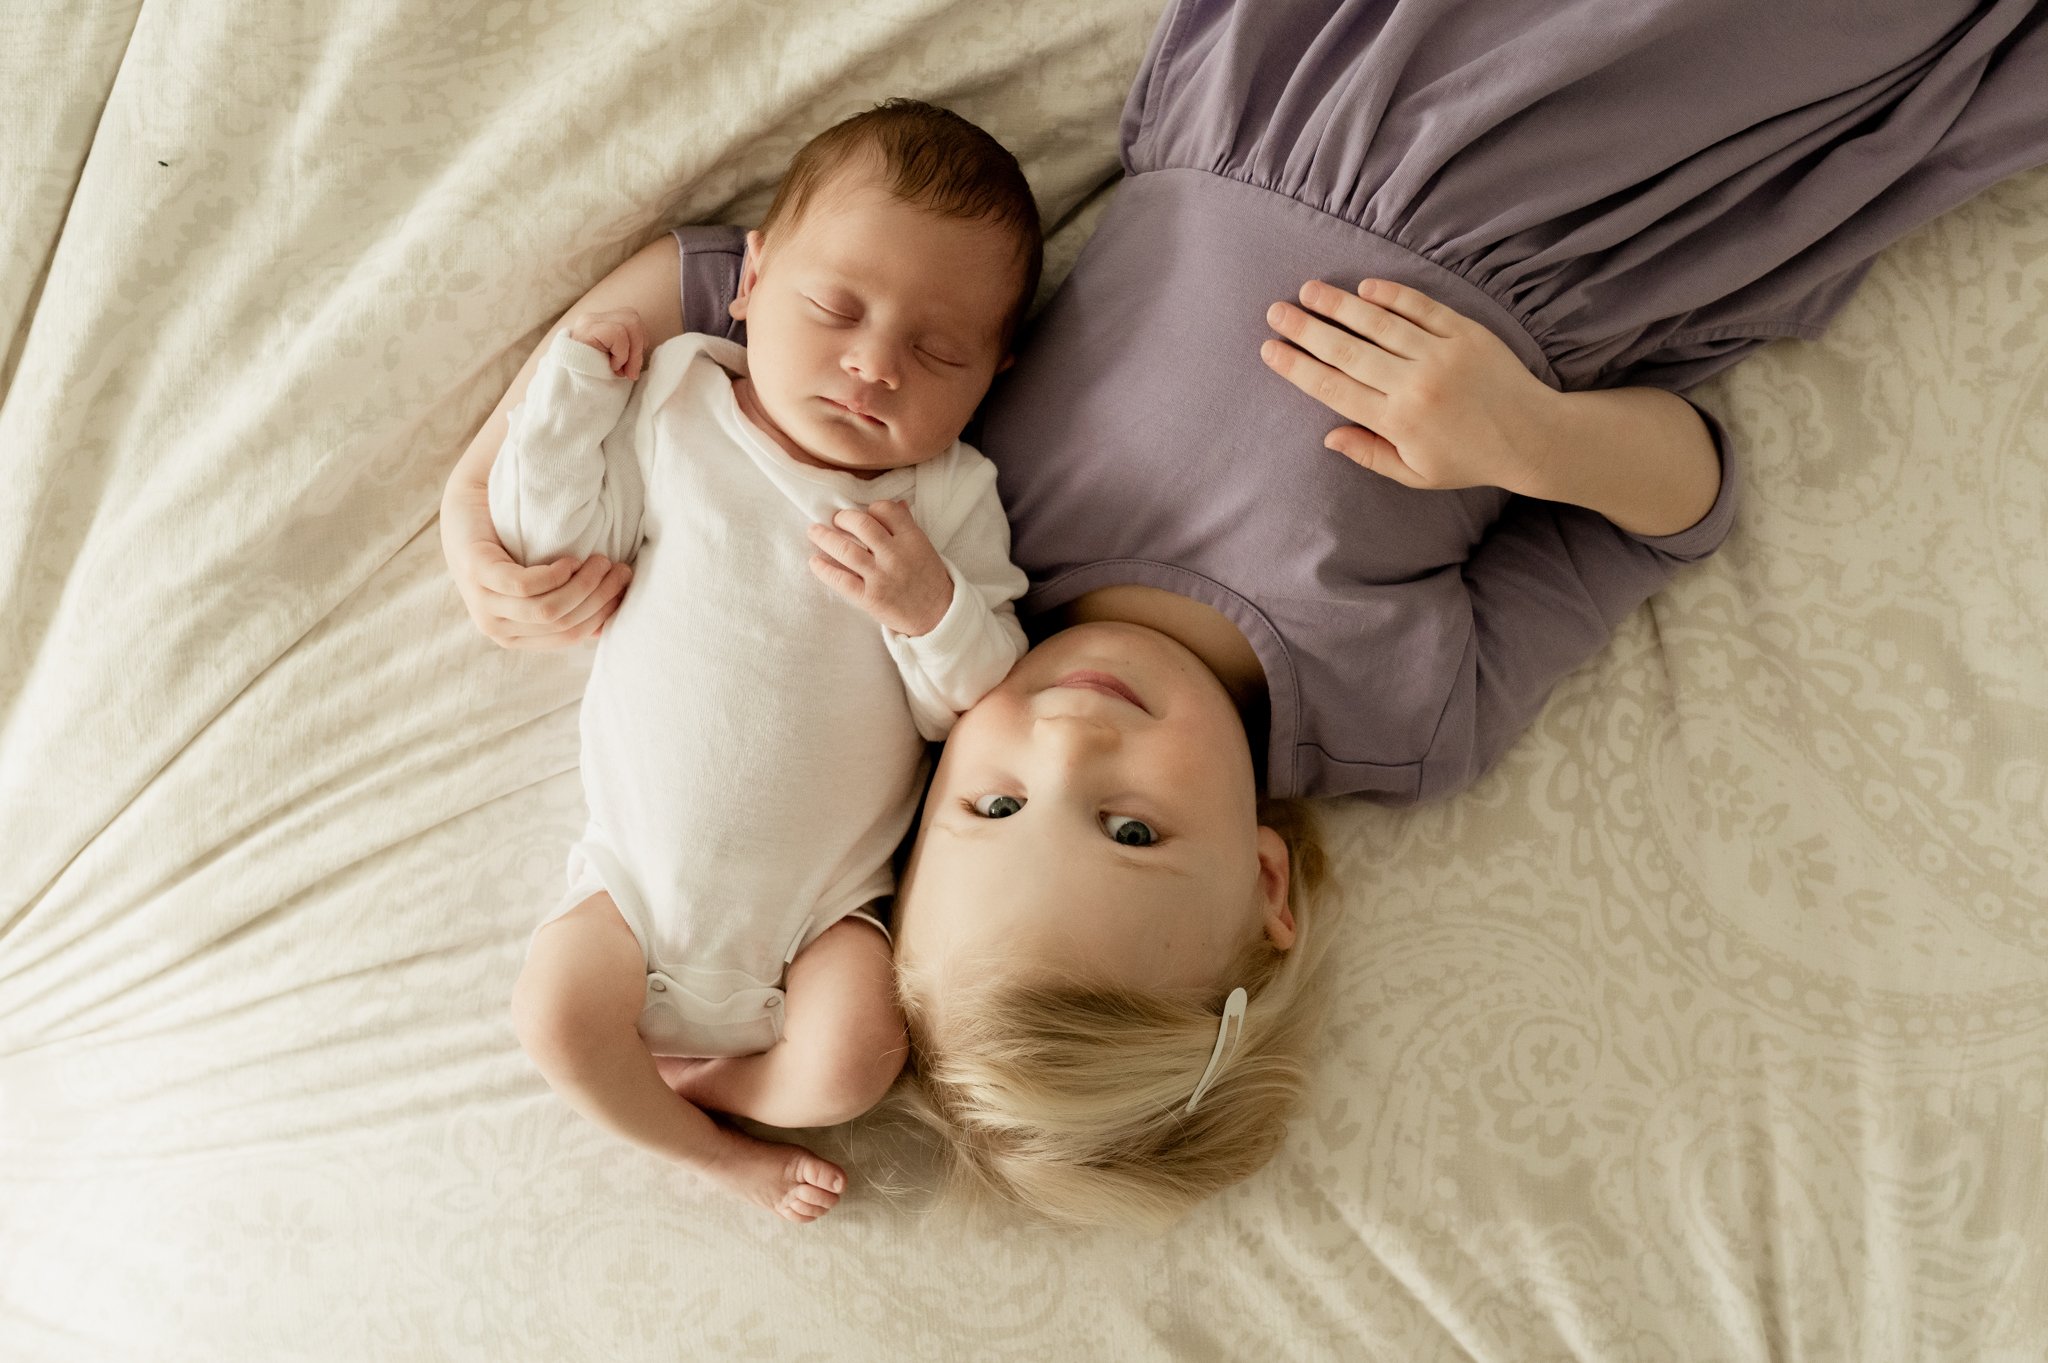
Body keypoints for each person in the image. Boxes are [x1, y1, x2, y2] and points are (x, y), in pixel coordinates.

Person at [444, 2, 2048, 1227]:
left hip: (1336, 73)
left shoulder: (962, 521)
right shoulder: (1396, 717)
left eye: (994, 803)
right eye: (1134, 831)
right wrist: (1528, 438)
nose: (1069, 744)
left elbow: (784, 289)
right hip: (1617, 188)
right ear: (1268, 880)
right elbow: (1690, 504)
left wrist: (491, 474)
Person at [496, 99, 1040, 1225]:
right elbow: (559, 546)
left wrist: (927, 604)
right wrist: (565, 405)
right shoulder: (683, 403)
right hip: (633, 885)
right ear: (747, 283)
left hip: (820, 914)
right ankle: (706, 1153)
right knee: (552, 1015)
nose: (872, 365)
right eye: (834, 307)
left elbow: (977, 702)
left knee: (857, 1058)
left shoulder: (946, 498)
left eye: (936, 350)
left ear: (990, 375)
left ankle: (718, 1090)